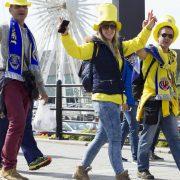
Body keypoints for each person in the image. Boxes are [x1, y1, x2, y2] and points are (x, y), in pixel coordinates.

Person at [60, 3, 156, 180]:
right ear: (100, 28)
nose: (110, 29)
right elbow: (75, 51)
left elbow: (138, 43)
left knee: (102, 137)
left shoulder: (119, 46)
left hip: (115, 100)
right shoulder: (94, 47)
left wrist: (148, 28)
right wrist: (65, 35)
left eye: (112, 26)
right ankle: (120, 174)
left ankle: (81, 170)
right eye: (106, 26)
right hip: (103, 99)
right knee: (115, 139)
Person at [0, 0, 48, 179]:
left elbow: (35, 64)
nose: (21, 9)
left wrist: (41, 88)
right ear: (10, 9)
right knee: (17, 122)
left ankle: (8, 166)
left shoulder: (29, 34)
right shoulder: (4, 28)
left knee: (21, 125)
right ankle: (8, 167)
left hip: (27, 84)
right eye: (17, 6)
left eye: (24, 6)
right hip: (9, 79)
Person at [136, 15, 180, 179]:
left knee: (175, 139)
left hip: (168, 103)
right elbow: (136, 48)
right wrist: (145, 29)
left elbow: (171, 78)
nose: (167, 38)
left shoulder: (173, 56)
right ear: (158, 36)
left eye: (170, 35)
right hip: (152, 102)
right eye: (164, 35)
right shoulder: (149, 51)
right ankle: (142, 169)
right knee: (147, 138)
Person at [0, 103, 52, 171]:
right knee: (4, 128)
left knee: (25, 126)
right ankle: (33, 157)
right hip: (7, 96)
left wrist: (40, 92)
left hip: (26, 96)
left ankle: (34, 157)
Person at [121, 54, 139, 163]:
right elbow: (120, 83)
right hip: (128, 101)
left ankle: (116, 152)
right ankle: (136, 156)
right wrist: (123, 101)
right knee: (134, 126)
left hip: (134, 99)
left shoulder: (134, 65)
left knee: (126, 127)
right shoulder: (124, 64)